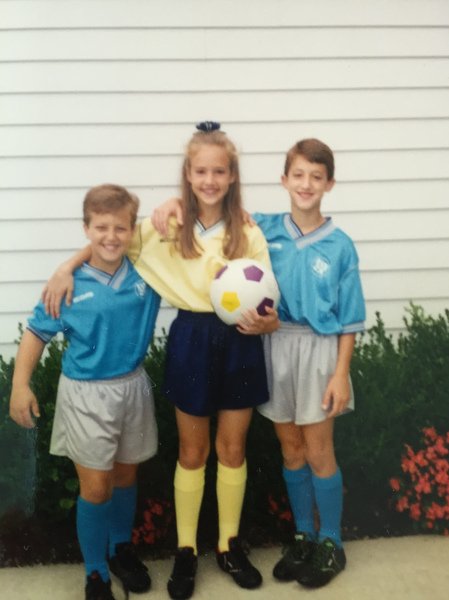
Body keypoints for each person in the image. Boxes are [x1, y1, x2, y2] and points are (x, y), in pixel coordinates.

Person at [41, 122, 280, 600]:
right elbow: (111, 238)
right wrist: (66, 266)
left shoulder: (248, 231)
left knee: (232, 450)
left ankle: (229, 545)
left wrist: (268, 325)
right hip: (192, 336)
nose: (209, 180)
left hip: (240, 342)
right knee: (193, 453)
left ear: (232, 176)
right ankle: (187, 551)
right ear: (187, 176)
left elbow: (268, 300)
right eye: (200, 171)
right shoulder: (166, 226)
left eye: (219, 171)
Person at [151, 137, 366, 589]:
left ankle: (329, 541)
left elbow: (350, 317)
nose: (306, 185)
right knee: (289, 448)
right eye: (298, 176)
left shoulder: (336, 245)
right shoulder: (262, 227)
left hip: (311, 349)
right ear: (284, 180)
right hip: (267, 346)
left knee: (316, 449)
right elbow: (204, 210)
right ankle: (300, 537)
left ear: (330, 183)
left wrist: (342, 373)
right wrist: (174, 199)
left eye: (316, 177)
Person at [10, 184, 161, 600]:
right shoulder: (68, 285)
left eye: (120, 228)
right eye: (100, 228)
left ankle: (119, 549)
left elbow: (171, 222)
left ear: (133, 230)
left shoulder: (147, 269)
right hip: (87, 394)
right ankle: (95, 572)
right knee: (96, 486)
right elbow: (37, 334)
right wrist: (20, 385)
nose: (110, 236)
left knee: (127, 473)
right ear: (86, 228)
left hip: (132, 386)